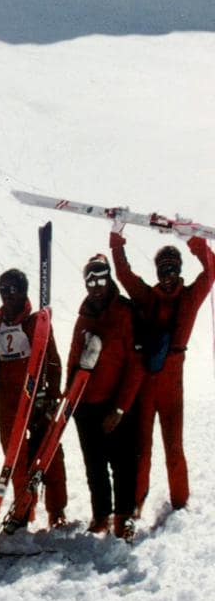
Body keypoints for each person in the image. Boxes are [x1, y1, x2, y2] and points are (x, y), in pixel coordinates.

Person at [109, 220, 213, 515]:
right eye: (162, 269)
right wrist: (116, 238)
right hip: (146, 385)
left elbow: (212, 270)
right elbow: (124, 274)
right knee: (142, 451)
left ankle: (180, 503)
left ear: (179, 270)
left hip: (172, 386)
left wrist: (193, 240)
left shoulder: (190, 298)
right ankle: (137, 504)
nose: (167, 276)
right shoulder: (147, 297)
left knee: (174, 449)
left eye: (171, 269)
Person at [70, 253, 144, 538]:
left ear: (109, 276)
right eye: (90, 279)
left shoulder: (125, 311)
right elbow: (74, 359)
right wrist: (70, 400)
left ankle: (123, 516)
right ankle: (101, 514)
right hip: (86, 403)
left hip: (115, 404)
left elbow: (135, 365)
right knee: (94, 465)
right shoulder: (85, 315)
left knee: (123, 463)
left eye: (101, 277)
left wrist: (121, 408)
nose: (96, 284)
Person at [0, 268, 67, 528]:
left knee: (49, 452)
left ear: (23, 291)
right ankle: (24, 508)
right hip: (8, 401)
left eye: (12, 289)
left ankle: (57, 510)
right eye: (2, 289)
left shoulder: (36, 322)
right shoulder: (0, 324)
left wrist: (52, 396)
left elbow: (54, 361)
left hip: (36, 396)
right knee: (15, 458)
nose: (7, 295)